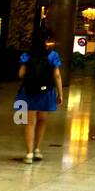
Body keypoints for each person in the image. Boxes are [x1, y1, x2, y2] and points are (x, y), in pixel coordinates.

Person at [15, 29, 64, 164]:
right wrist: (60, 93)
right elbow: (57, 75)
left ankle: (29, 153)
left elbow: (21, 74)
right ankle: (36, 148)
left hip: (29, 91)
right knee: (42, 120)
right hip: (46, 92)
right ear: (46, 41)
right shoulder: (52, 55)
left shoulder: (27, 55)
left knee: (29, 122)